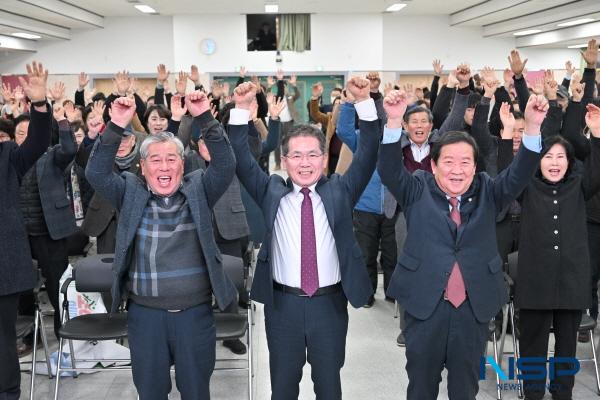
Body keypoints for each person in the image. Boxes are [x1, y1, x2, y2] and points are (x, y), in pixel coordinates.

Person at [378, 89, 548, 400]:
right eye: (449, 162)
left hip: (472, 307)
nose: (457, 170)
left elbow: (520, 174)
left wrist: (534, 128)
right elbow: (389, 171)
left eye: (465, 162)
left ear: (475, 166)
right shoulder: (417, 188)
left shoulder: (488, 190)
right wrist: (392, 121)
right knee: (420, 386)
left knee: (465, 388)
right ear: (434, 165)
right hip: (425, 304)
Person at [226, 79, 377, 399]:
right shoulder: (271, 191)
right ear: (284, 161)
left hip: (329, 305)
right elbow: (239, 156)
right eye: (296, 156)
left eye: (312, 155)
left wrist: (364, 101)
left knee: (329, 386)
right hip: (283, 306)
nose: (305, 163)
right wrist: (240, 110)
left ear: (324, 160)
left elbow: (369, 153)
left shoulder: (340, 190)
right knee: (282, 387)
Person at [85, 92, 236, 400]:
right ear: (143, 166)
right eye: (155, 159)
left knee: (196, 393)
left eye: (171, 159)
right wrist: (115, 125)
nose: (163, 167)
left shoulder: (199, 189)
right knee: (151, 393)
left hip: (195, 316)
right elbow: (96, 173)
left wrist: (205, 117)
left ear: (182, 163)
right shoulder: (129, 191)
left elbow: (225, 163)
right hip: (146, 318)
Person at [509, 104, 600, 400]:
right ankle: (533, 392)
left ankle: (563, 393)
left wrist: (597, 134)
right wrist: (521, 133)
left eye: (561, 157)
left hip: (571, 280)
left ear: (569, 162)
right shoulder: (526, 186)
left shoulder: (578, 185)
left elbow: (596, 171)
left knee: (566, 345)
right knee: (533, 343)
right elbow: (517, 166)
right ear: (539, 161)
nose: (555, 162)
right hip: (535, 280)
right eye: (548, 156)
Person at [0, 61, 51, 400]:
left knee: (2, 337)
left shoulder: (6, 156)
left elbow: (36, 144)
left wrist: (40, 105)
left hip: (3, 265)